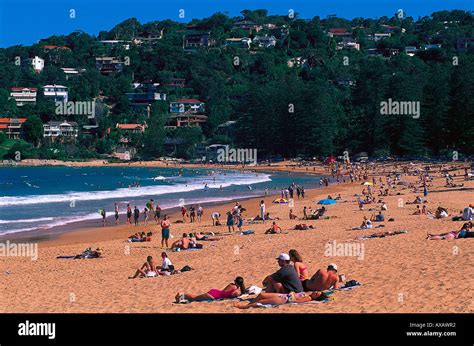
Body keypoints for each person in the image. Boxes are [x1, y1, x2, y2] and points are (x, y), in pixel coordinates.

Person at [175, 277, 245, 303]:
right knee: (195, 298)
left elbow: (223, 292)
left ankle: (181, 297)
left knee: (195, 298)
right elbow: (232, 296)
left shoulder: (231, 285)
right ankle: (181, 295)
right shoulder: (237, 292)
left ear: (235, 281)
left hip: (215, 292)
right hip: (213, 296)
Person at [233, 291, 328, 309]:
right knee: (262, 294)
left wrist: (292, 296)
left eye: (316, 294)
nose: (315, 292)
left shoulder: (308, 298)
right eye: (317, 292)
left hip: (284, 299)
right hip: (285, 295)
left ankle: (244, 307)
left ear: (316, 298)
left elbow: (296, 301)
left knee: (261, 302)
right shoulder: (309, 294)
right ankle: (251, 303)